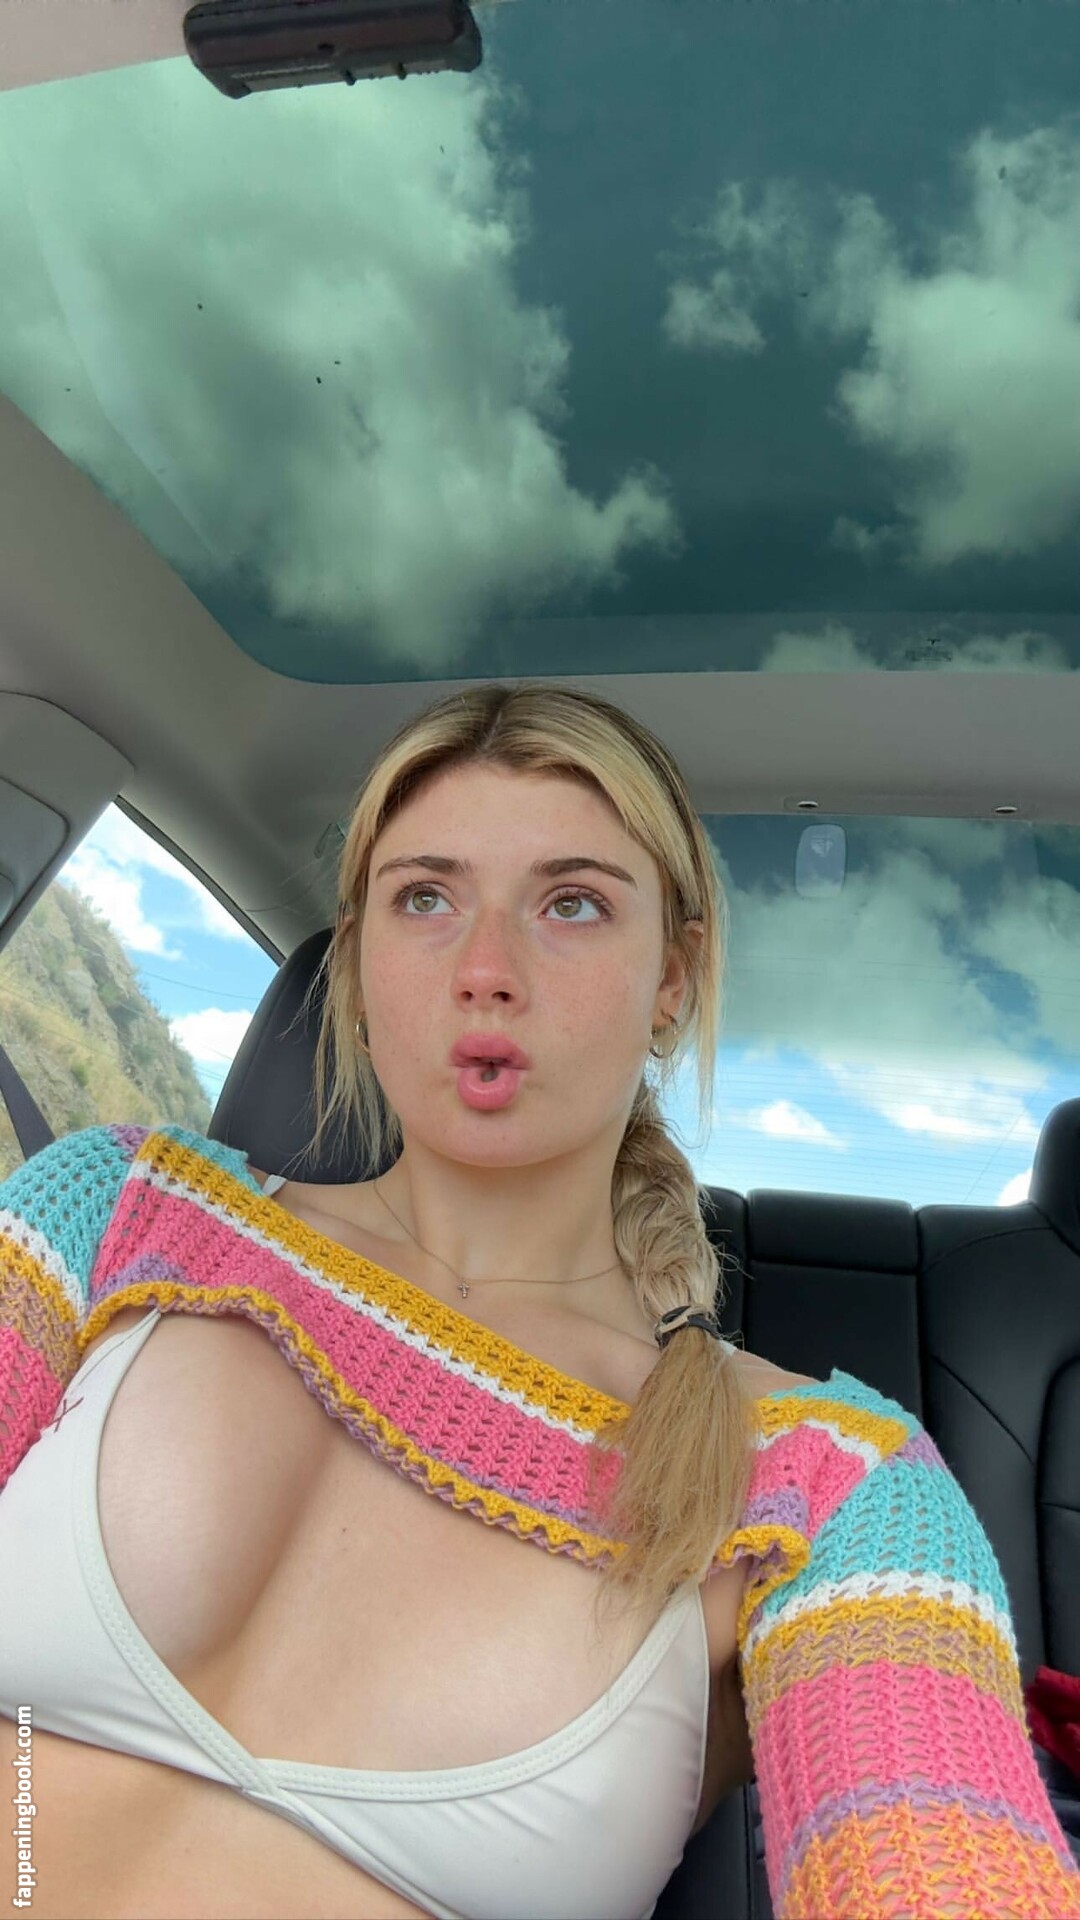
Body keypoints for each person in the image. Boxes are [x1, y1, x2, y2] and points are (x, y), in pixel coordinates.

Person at [0, 679, 1077, 1920]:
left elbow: (940, 1857)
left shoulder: (831, 1484)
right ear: (357, 962)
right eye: (425, 897)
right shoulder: (115, 1208)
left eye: (572, 904)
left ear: (671, 978)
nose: (486, 970)